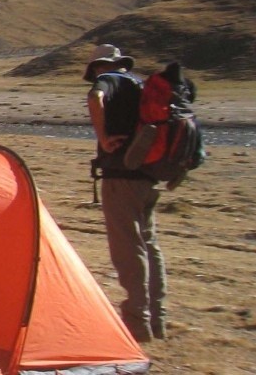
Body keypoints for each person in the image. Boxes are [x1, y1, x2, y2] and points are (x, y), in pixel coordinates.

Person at [85, 43, 167, 342]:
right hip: (149, 175)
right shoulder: (141, 85)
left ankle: (136, 322)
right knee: (149, 245)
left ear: (98, 66)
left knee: (128, 248)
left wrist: (103, 137)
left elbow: (95, 97)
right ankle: (157, 319)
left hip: (122, 177)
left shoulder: (109, 80)